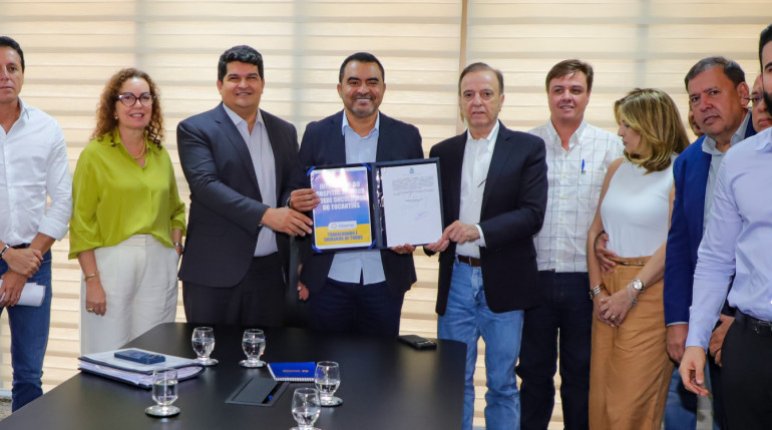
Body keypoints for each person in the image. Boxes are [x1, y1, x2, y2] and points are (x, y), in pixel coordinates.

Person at [426, 62, 548, 430]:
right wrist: (428, 238)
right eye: (468, 94)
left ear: (501, 99)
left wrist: (477, 231)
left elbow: (532, 214)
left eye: (486, 93)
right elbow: (433, 215)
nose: (477, 101)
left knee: (502, 384)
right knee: (453, 383)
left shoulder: (527, 148)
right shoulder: (443, 151)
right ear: (460, 102)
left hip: (506, 281)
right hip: (457, 280)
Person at [177, 45, 315, 326]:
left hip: (271, 274)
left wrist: (291, 202)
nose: (243, 85)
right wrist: (267, 215)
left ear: (262, 83)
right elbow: (206, 186)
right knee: (212, 353)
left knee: (266, 352)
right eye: (234, 78)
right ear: (220, 85)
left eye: (251, 77)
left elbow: (288, 186)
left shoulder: (284, 131)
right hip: (214, 273)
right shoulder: (195, 129)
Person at [516, 59, 621, 430]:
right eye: (558, 89)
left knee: (582, 376)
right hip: (535, 278)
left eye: (576, 90)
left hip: (586, 281)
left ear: (588, 96)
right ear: (548, 94)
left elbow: (621, 209)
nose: (566, 97)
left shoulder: (611, 146)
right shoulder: (525, 146)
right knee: (533, 375)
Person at [680, 23, 772, 430]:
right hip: (752, 349)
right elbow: (715, 259)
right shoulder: (741, 160)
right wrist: (696, 341)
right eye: (771, 67)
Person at [295, 52, 422, 337]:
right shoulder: (316, 133)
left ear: (383, 89)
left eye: (372, 82)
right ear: (340, 88)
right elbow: (297, 198)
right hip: (328, 278)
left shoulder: (407, 136)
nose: (363, 89)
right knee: (325, 360)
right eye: (354, 82)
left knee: (381, 362)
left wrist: (411, 236)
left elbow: (414, 199)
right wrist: (299, 268)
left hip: (384, 278)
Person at [587, 88, 688, 430]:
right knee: (600, 403)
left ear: (651, 126)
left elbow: (675, 243)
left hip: (649, 294)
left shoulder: (678, 170)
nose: (620, 132)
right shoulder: (618, 167)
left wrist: (630, 291)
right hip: (607, 293)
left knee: (629, 408)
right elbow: (594, 232)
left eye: (627, 125)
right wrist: (597, 292)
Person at [662, 56, 753, 430]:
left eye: (713, 93)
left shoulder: (763, 149)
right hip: (705, 316)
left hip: (755, 323)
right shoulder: (688, 161)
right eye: (695, 98)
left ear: (743, 93)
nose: (703, 105)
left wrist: (743, 321)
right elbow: (680, 246)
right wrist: (679, 321)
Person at [69, 68, 186, 354]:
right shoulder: (95, 154)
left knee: (154, 350)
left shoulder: (159, 154)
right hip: (111, 262)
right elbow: (81, 222)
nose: (138, 104)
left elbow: (176, 209)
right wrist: (92, 280)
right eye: (128, 98)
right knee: (107, 350)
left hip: (158, 260)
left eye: (145, 97)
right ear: (114, 107)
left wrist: (174, 247)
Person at [0, 35, 72, 410]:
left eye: (12, 68)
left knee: (29, 374)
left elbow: (63, 201)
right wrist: (6, 254)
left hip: (34, 262)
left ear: (23, 74)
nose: (5, 76)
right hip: (12, 255)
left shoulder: (47, 128)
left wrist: (25, 261)